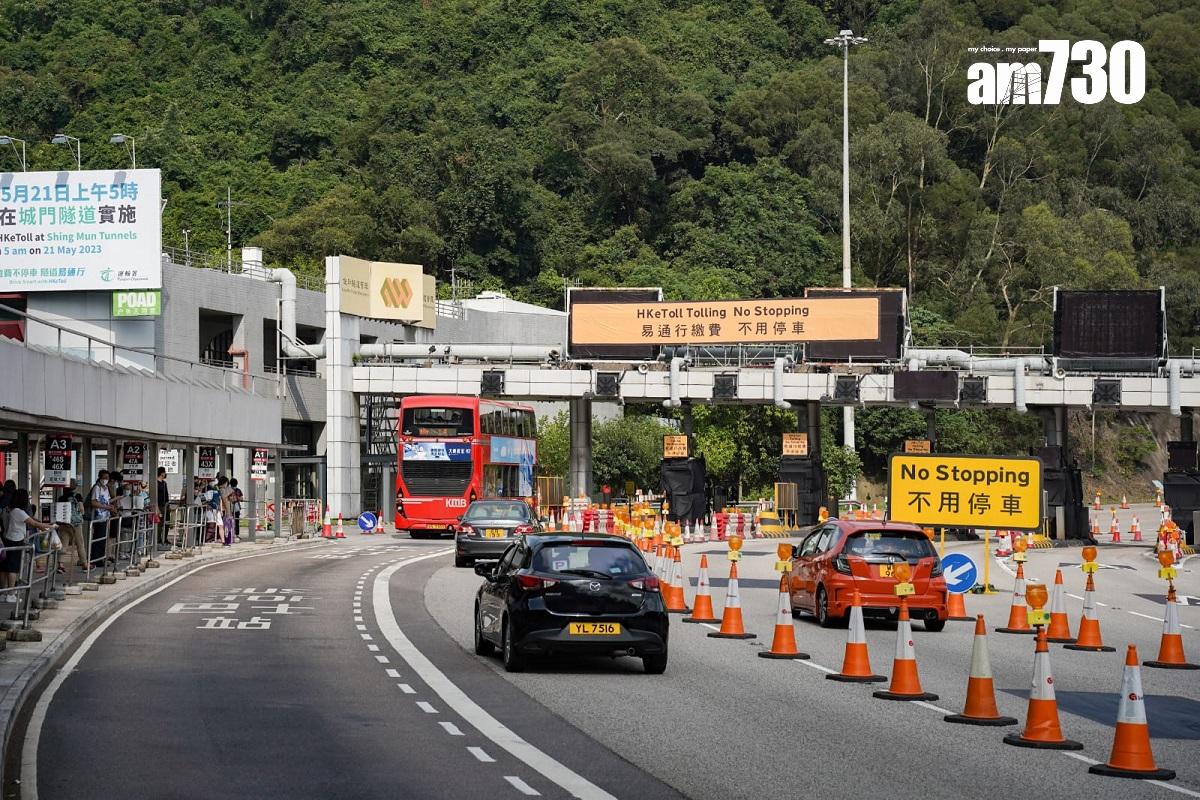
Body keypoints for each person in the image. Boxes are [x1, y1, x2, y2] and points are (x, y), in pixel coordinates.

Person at [1, 489, 56, 603]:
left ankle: (3, 593)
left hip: (8, 539)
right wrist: (50, 527)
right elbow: (34, 523)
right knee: (13, 569)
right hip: (16, 541)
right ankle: (11, 594)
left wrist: (45, 526)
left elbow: (34, 521)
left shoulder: (10, 510)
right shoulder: (18, 511)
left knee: (5, 568)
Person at [83, 470, 118, 568]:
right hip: (97, 517)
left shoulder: (106, 488)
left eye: (107, 478)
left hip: (105, 517)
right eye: (103, 477)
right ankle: (95, 559)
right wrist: (107, 507)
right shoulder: (97, 488)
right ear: (99, 477)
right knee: (98, 538)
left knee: (102, 539)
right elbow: (93, 502)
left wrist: (111, 506)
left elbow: (106, 501)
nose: (105, 479)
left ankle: (100, 558)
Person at [56, 480, 88, 572]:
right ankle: (84, 564)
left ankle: (60, 565)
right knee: (80, 543)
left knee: (63, 544)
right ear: (75, 487)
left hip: (64, 523)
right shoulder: (77, 496)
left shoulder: (61, 498)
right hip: (76, 524)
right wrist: (81, 513)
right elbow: (81, 509)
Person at [217, 476, 234, 546]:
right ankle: (225, 539)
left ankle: (226, 539)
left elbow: (231, 498)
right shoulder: (221, 490)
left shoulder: (224, 490)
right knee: (224, 525)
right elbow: (223, 497)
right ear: (225, 482)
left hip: (225, 509)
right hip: (223, 510)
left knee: (225, 525)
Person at [156, 467, 170, 545]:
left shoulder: (164, 483)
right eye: (164, 472)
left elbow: (166, 495)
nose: (165, 474)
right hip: (159, 506)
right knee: (160, 523)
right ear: (161, 473)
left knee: (167, 522)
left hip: (166, 505)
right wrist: (157, 507)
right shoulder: (156, 483)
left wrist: (168, 505)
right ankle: (158, 539)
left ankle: (165, 538)